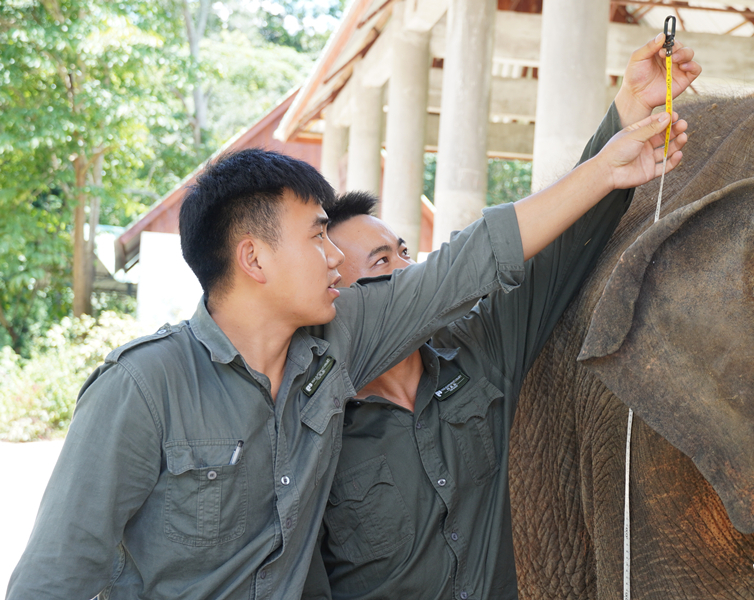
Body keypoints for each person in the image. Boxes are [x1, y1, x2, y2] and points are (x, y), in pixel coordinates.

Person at [7, 41, 689, 600]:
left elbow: (472, 262)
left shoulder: (341, 345)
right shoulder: (143, 389)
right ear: (254, 258)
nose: (336, 258)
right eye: (315, 237)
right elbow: (55, 580)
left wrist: (607, 165)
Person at [302, 34, 700, 600]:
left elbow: (555, 256)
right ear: (338, 296)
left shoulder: (479, 352)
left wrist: (628, 114)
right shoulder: (311, 419)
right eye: (382, 262)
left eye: (404, 251)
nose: (409, 270)